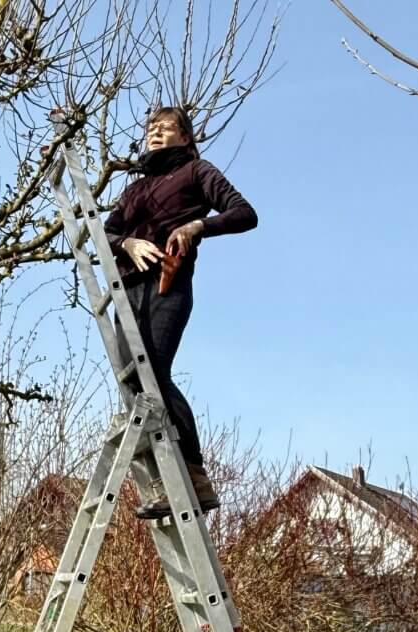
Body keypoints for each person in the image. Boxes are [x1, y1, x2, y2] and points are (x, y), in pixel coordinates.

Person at [104, 106, 257, 519]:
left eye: (165, 127)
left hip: (167, 286)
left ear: (186, 137)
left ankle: (193, 474)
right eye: (150, 127)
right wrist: (128, 245)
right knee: (134, 382)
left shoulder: (196, 172)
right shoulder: (134, 191)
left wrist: (197, 227)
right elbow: (107, 231)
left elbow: (245, 213)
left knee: (153, 372)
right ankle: (163, 480)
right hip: (127, 289)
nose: (155, 132)